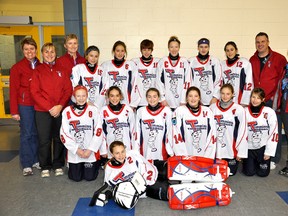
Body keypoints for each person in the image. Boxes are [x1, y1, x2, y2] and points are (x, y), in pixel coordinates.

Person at [30, 42, 72, 178]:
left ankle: (58, 164)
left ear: (56, 54)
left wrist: (60, 106)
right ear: (42, 54)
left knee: (59, 138)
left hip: (60, 110)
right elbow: (35, 92)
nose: (49, 54)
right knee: (44, 140)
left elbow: (67, 90)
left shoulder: (62, 70)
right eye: (46, 52)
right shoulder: (37, 71)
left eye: (52, 52)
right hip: (43, 111)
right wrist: (49, 107)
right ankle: (45, 165)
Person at [250, 32, 287, 169]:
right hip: (256, 100)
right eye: (257, 42)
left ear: (268, 42)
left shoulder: (279, 58)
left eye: (263, 41)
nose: (260, 44)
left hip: (272, 100)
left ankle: (274, 158)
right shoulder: (252, 59)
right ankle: (258, 155)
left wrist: (278, 100)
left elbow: (284, 79)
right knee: (259, 129)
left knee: (274, 130)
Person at [9, 37, 41, 176]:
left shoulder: (41, 65)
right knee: (26, 133)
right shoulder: (17, 68)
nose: (29, 51)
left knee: (36, 133)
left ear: (35, 50)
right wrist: (14, 111)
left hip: (39, 105)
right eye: (26, 49)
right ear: (22, 50)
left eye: (32, 49)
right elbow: (13, 90)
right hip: (25, 105)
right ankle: (26, 164)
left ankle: (35, 160)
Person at [60, 85, 104, 182]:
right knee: (76, 178)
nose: (81, 98)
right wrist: (77, 149)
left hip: (90, 152)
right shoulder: (67, 111)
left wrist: (90, 149)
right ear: (74, 97)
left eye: (83, 96)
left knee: (90, 177)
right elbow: (64, 133)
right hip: (75, 152)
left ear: (87, 96)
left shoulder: (94, 110)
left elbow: (99, 131)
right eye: (78, 96)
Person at [209, 84, 248, 175]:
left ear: (232, 94)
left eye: (228, 94)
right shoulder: (212, 108)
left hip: (231, 149)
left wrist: (240, 151)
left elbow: (243, 131)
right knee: (215, 173)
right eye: (223, 93)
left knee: (230, 173)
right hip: (216, 149)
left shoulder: (239, 109)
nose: (225, 96)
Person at [173, 86, 217, 158]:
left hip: (204, 155)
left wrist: (208, 156)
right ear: (186, 98)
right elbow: (175, 133)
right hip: (185, 155)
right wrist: (182, 156)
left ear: (199, 98)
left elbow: (212, 134)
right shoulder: (179, 111)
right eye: (190, 96)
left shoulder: (207, 111)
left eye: (196, 96)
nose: (193, 99)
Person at [242, 88, 278, 177]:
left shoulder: (269, 112)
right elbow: (240, 133)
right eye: (253, 97)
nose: (255, 100)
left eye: (258, 98)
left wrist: (269, 152)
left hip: (263, 147)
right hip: (249, 148)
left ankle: (259, 161)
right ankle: (250, 161)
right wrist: (241, 151)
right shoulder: (244, 111)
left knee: (263, 174)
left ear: (263, 99)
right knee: (249, 173)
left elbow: (274, 132)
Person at [134, 88, 173, 160]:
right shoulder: (141, 111)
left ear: (159, 98)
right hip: (145, 151)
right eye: (149, 97)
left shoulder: (167, 111)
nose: (152, 99)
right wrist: (136, 150)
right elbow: (137, 132)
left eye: (154, 96)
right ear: (146, 98)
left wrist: (170, 151)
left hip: (162, 152)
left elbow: (170, 132)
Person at [156, 36, 191, 111]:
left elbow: (188, 82)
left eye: (176, 47)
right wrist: (162, 99)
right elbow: (158, 82)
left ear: (179, 48)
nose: (174, 49)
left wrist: (184, 100)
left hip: (181, 101)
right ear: (168, 48)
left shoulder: (184, 61)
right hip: (166, 101)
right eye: (171, 47)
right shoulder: (162, 61)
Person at [100, 86, 135, 159]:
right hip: (111, 148)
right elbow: (101, 132)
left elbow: (133, 131)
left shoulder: (128, 109)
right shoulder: (103, 110)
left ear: (121, 96)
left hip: (127, 148)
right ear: (108, 97)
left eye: (117, 96)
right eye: (112, 96)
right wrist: (103, 150)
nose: (114, 98)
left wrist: (134, 148)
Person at [101, 41, 137, 105]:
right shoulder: (105, 65)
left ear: (125, 52)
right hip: (110, 102)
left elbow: (135, 85)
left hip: (126, 102)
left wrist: (133, 104)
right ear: (113, 51)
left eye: (122, 51)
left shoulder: (131, 65)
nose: (120, 53)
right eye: (118, 51)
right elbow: (103, 87)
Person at [189, 38, 222, 106]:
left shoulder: (215, 61)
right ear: (198, 48)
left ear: (209, 48)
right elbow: (189, 81)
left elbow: (219, 80)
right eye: (201, 47)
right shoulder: (191, 61)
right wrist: (193, 97)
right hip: (195, 100)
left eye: (206, 47)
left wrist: (215, 97)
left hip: (211, 100)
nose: (203, 49)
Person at [221, 41, 254, 106]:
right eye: (227, 50)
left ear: (236, 50)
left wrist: (245, 100)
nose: (230, 52)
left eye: (232, 50)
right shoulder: (222, 64)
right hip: (226, 100)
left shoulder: (244, 62)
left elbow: (249, 82)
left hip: (240, 100)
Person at [130, 39, 160, 108]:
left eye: (149, 50)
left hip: (154, 100)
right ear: (141, 50)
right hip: (139, 100)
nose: (146, 52)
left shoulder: (158, 62)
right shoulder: (134, 62)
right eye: (144, 50)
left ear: (152, 50)